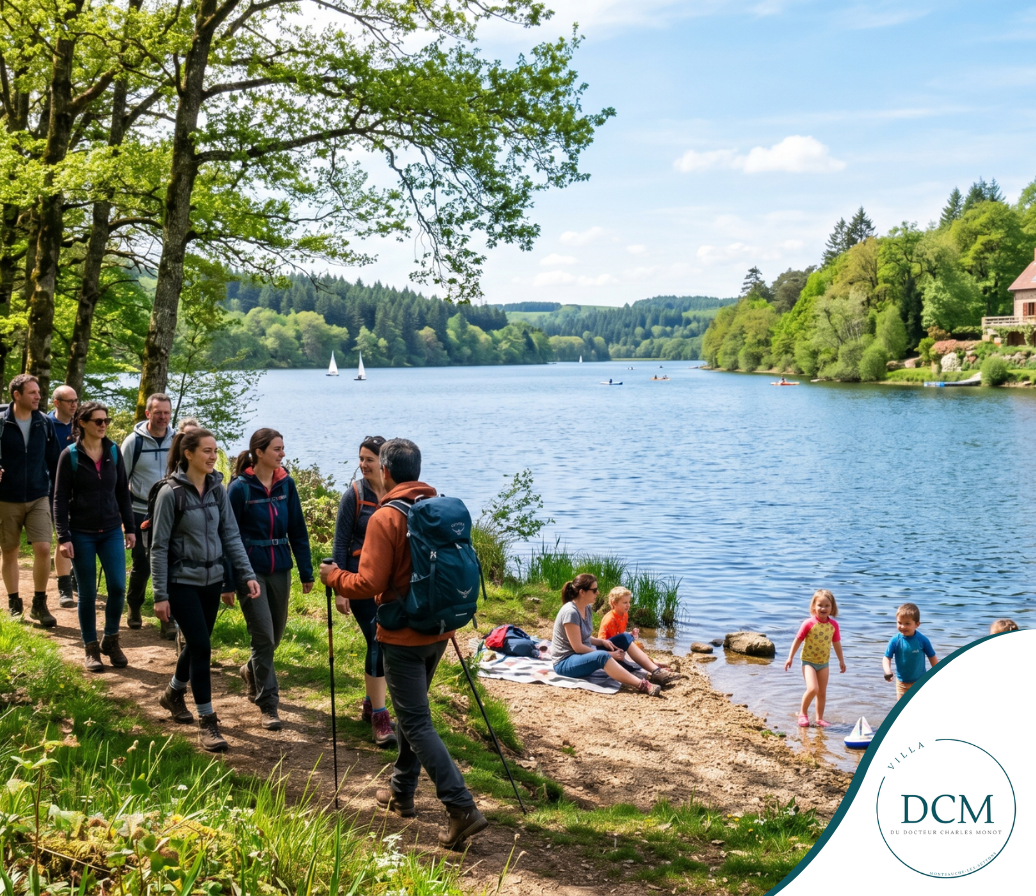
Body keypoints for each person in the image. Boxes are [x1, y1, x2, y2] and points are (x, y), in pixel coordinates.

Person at [319, 438, 488, 850]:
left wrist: (334, 577)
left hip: (402, 635)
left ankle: (461, 806)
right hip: (440, 630)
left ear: (387, 471)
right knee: (415, 713)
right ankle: (401, 791)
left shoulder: (386, 517)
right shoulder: (438, 507)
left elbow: (369, 582)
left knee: (414, 723)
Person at [151, 427, 259, 752]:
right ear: (188, 454)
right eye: (206, 451)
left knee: (197, 645)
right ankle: (207, 721)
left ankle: (173, 693)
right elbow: (158, 547)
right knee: (201, 646)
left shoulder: (217, 489)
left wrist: (246, 574)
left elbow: (231, 535)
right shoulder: (170, 493)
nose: (213, 456)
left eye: (215, 451)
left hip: (211, 580)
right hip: (181, 582)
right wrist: (160, 595)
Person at [227, 428, 313, 731]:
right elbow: (228, 536)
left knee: (274, 637)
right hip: (250, 571)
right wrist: (228, 581)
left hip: (281, 569)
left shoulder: (286, 484)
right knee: (263, 636)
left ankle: (250, 669)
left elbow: (298, 529)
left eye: (283, 448)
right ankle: (268, 703)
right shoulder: (239, 488)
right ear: (259, 452)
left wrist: (305, 571)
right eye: (277, 449)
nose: (282, 454)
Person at [52, 402, 136, 672]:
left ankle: (110, 639)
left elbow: (122, 491)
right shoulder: (69, 455)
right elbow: (59, 499)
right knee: (87, 593)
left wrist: (130, 527)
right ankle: (90, 648)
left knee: (118, 587)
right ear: (82, 423)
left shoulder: (113, 451)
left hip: (111, 531)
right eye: (98, 421)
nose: (103, 425)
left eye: (106, 420)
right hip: (81, 533)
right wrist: (63, 536)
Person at [331, 435, 398, 747]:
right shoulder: (354, 495)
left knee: (381, 640)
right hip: (358, 581)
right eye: (361, 459)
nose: (363, 465)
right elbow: (340, 543)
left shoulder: (397, 492)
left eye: (369, 459)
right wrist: (340, 589)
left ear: (384, 462)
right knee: (377, 639)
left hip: (389, 584)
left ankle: (371, 703)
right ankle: (380, 718)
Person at [0, 374, 60, 625]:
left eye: (38, 392)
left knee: (44, 548)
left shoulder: (44, 423)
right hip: (7, 497)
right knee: (9, 551)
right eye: (32, 392)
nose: (38, 396)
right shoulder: (1, 422)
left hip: (38, 495)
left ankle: (39, 603)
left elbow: (55, 460)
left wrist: (61, 493)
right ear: (17, 395)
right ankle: (14, 603)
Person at [550, 574, 663, 696]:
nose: (598, 593)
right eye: (594, 590)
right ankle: (642, 685)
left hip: (581, 656)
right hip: (566, 662)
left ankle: (657, 672)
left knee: (624, 637)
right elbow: (578, 647)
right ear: (582, 592)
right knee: (602, 656)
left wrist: (602, 642)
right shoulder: (571, 612)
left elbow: (583, 636)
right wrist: (611, 654)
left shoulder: (587, 608)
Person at [122, 393, 174, 636]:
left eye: (166, 412)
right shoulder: (134, 442)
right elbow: (120, 481)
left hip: (171, 512)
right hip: (140, 511)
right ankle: (134, 606)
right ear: (148, 413)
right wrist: (122, 517)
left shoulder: (178, 440)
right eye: (158, 412)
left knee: (171, 564)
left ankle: (168, 620)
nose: (163, 417)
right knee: (142, 564)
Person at [783, 589, 846, 727]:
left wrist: (841, 660)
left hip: (824, 663)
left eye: (827, 605)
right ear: (813, 607)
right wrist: (790, 657)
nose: (823, 608)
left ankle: (819, 718)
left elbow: (836, 643)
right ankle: (802, 713)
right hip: (808, 662)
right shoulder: (808, 623)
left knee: (822, 692)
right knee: (813, 688)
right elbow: (798, 640)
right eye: (820, 605)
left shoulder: (833, 625)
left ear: (832, 608)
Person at [597, 587, 681, 685]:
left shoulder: (624, 615)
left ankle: (655, 666)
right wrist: (615, 651)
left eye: (629, 602)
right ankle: (655, 671)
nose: (628, 605)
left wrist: (630, 634)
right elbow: (601, 642)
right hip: (610, 651)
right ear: (614, 603)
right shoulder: (610, 619)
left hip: (618, 647)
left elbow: (618, 635)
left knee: (637, 649)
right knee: (630, 665)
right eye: (625, 602)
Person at [48, 385, 78, 608]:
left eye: (76, 400)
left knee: (82, 536)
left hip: (82, 490)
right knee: (63, 536)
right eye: (69, 401)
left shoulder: (82, 424)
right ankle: (65, 588)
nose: (74, 405)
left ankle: (77, 578)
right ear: (57, 403)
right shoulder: (45, 424)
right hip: (53, 490)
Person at [882, 602, 938, 701]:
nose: (902, 626)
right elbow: (886, 658)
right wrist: (887, 671)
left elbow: (932, 657)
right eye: (899, 623)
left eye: (907, 623)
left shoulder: (922, 640)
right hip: (901, 683)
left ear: (917, 624)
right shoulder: (895, 640)